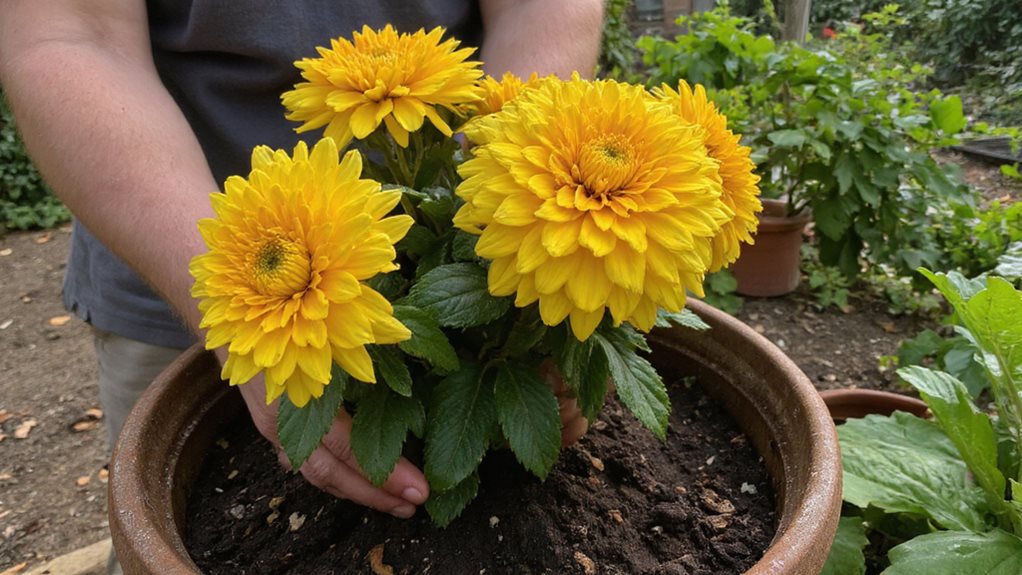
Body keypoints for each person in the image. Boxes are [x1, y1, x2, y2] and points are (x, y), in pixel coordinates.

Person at [0, 0, 603, 526]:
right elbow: (69, 35)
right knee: (165, 503)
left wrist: (521, 220)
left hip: (438, 210)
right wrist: (230, 316)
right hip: (169, 262)